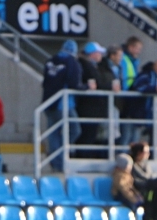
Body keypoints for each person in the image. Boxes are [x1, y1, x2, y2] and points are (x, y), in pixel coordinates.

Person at [41, 39, 85, 170]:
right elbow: (74, 84)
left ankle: (56, 162)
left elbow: (45, 82)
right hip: (64, 104)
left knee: (54, 134)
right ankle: (59, 156)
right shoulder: (72, 62)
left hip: (48, 103)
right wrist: (87, 86)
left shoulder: (51, 60)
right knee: (75, 130)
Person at [74, 42, 108, 152]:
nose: (101, 56)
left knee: (89, 136)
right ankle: (81, 160)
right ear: (92, 54)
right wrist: (110, 86)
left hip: (91, 108)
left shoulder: (88, 65)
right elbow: (97, 83)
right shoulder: (86, 66)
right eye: (99, 53)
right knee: (87, 136)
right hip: (89, 109)